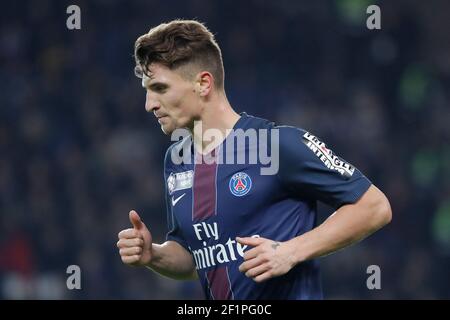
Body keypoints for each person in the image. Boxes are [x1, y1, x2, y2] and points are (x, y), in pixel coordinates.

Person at [116, 19, 392, 299]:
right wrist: (154, 255)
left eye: (160, 89)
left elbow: (374, 206)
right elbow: (196, 258)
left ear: (203, 83)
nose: (149, 104)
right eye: (147, 91)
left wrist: (290, 251)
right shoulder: (176, 160)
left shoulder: (278, 145)